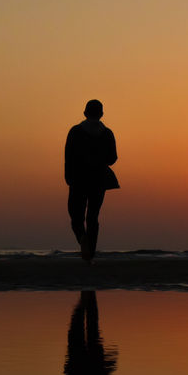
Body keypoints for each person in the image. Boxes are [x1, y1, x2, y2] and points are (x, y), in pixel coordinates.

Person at [64, 99, 119, 262]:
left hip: (78, 179)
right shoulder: (107, 133)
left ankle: (83, 240)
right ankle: (90, 253)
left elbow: (68, 156)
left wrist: (68, 176)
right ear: (101, 114)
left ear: (85, 113)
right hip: (99, 179)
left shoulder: (75, 131)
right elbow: (113, 158)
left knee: (76, 216)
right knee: (93, 216)